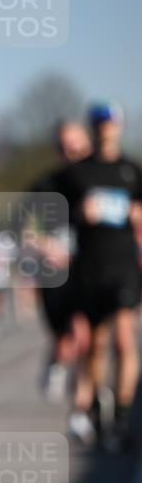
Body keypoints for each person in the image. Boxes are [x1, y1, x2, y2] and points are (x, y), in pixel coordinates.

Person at [54, 102, 142, 451]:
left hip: (123, 267)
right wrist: (77, 214)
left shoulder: (131, 170)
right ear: (93, 128)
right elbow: (50, 214)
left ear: (118, 127)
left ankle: (122, 417)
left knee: (124, 339)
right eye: (99, 124)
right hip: (89, 270)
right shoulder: (78, 173)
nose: (105, 129)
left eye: (110, 124)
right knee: (96, 345)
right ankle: (94, 408)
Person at [25, 121, 92, 414]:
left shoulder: (99, 183)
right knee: (66, 338)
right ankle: (57, 361)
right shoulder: (44, 186)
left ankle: (83, 408)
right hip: (55, 275)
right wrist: (46, 245)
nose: (72, 155)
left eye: (77, 148)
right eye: (65, 149)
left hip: (92, 271)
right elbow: (22, 229)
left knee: (85, 336)